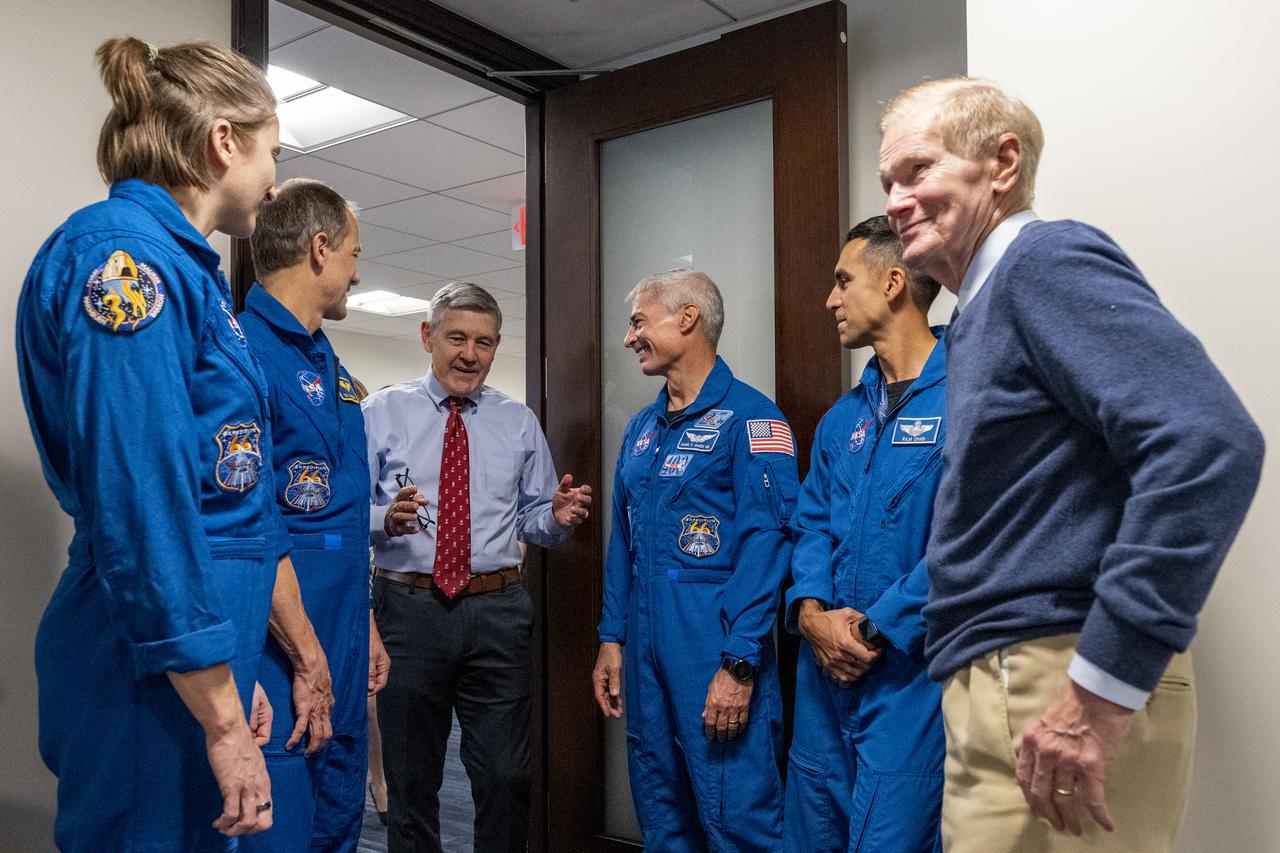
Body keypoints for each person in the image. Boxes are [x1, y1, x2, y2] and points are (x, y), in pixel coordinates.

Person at [877, 77, 1266, 852]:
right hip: (1003, 682)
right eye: (888, 181)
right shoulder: (978, 311)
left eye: (918, 170)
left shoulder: (1042, 261)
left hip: (1052, 678)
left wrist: (1098, 689)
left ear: (1002, 163)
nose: (894, 199)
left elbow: (1208, 441)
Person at [16, 37, 332, 851]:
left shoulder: (190, 274)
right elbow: (142, 502)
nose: (274, 176)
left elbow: (229, 493)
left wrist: (228, 671)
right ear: (224, 141)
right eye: (272, 151)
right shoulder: (125, 262)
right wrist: (220, 709)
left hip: (190, 653)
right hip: (142, 657)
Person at [363, 281, 592, 853]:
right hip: (408, 611)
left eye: (484, 342)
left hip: (497, 612)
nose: (470, 353)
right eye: (457, 337)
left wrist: (557, 518)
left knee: (506, 777)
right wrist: (382, 520)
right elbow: (342, 510)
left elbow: (534, 516)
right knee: (412, 781)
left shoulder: (517, 422)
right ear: (428, 337)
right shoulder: (380, 412)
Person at [592, 269, 800, 852]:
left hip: (713, 650)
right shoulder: (640, 430)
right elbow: (623, 542)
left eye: (639, 321)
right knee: (661, 809)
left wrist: (738, 665)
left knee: (738, 816)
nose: (630, 337)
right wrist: (612, 637)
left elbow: (769, 544)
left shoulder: (753, 420)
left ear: (687, 320)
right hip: (646, 647)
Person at [783, 215, 946, 853]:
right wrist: (811, 613)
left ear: (895, 283)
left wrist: (875, 630)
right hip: (824, 680)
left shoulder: (969, 400)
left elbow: (969, 547)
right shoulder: (842, 418)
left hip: (909, 682)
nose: (831, 299)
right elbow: (811, 526)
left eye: (843, 281)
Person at [239, 178, 391, 852]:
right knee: (285, 825)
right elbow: (250, 526)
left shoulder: (329, 363)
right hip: (280, 641)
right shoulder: (241, 353)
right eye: (354, 254)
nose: (358, 273)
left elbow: (342, 516)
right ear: (321, 249)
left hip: (342, 632)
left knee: (338, 822)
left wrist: (364, 624)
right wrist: (306, 658)